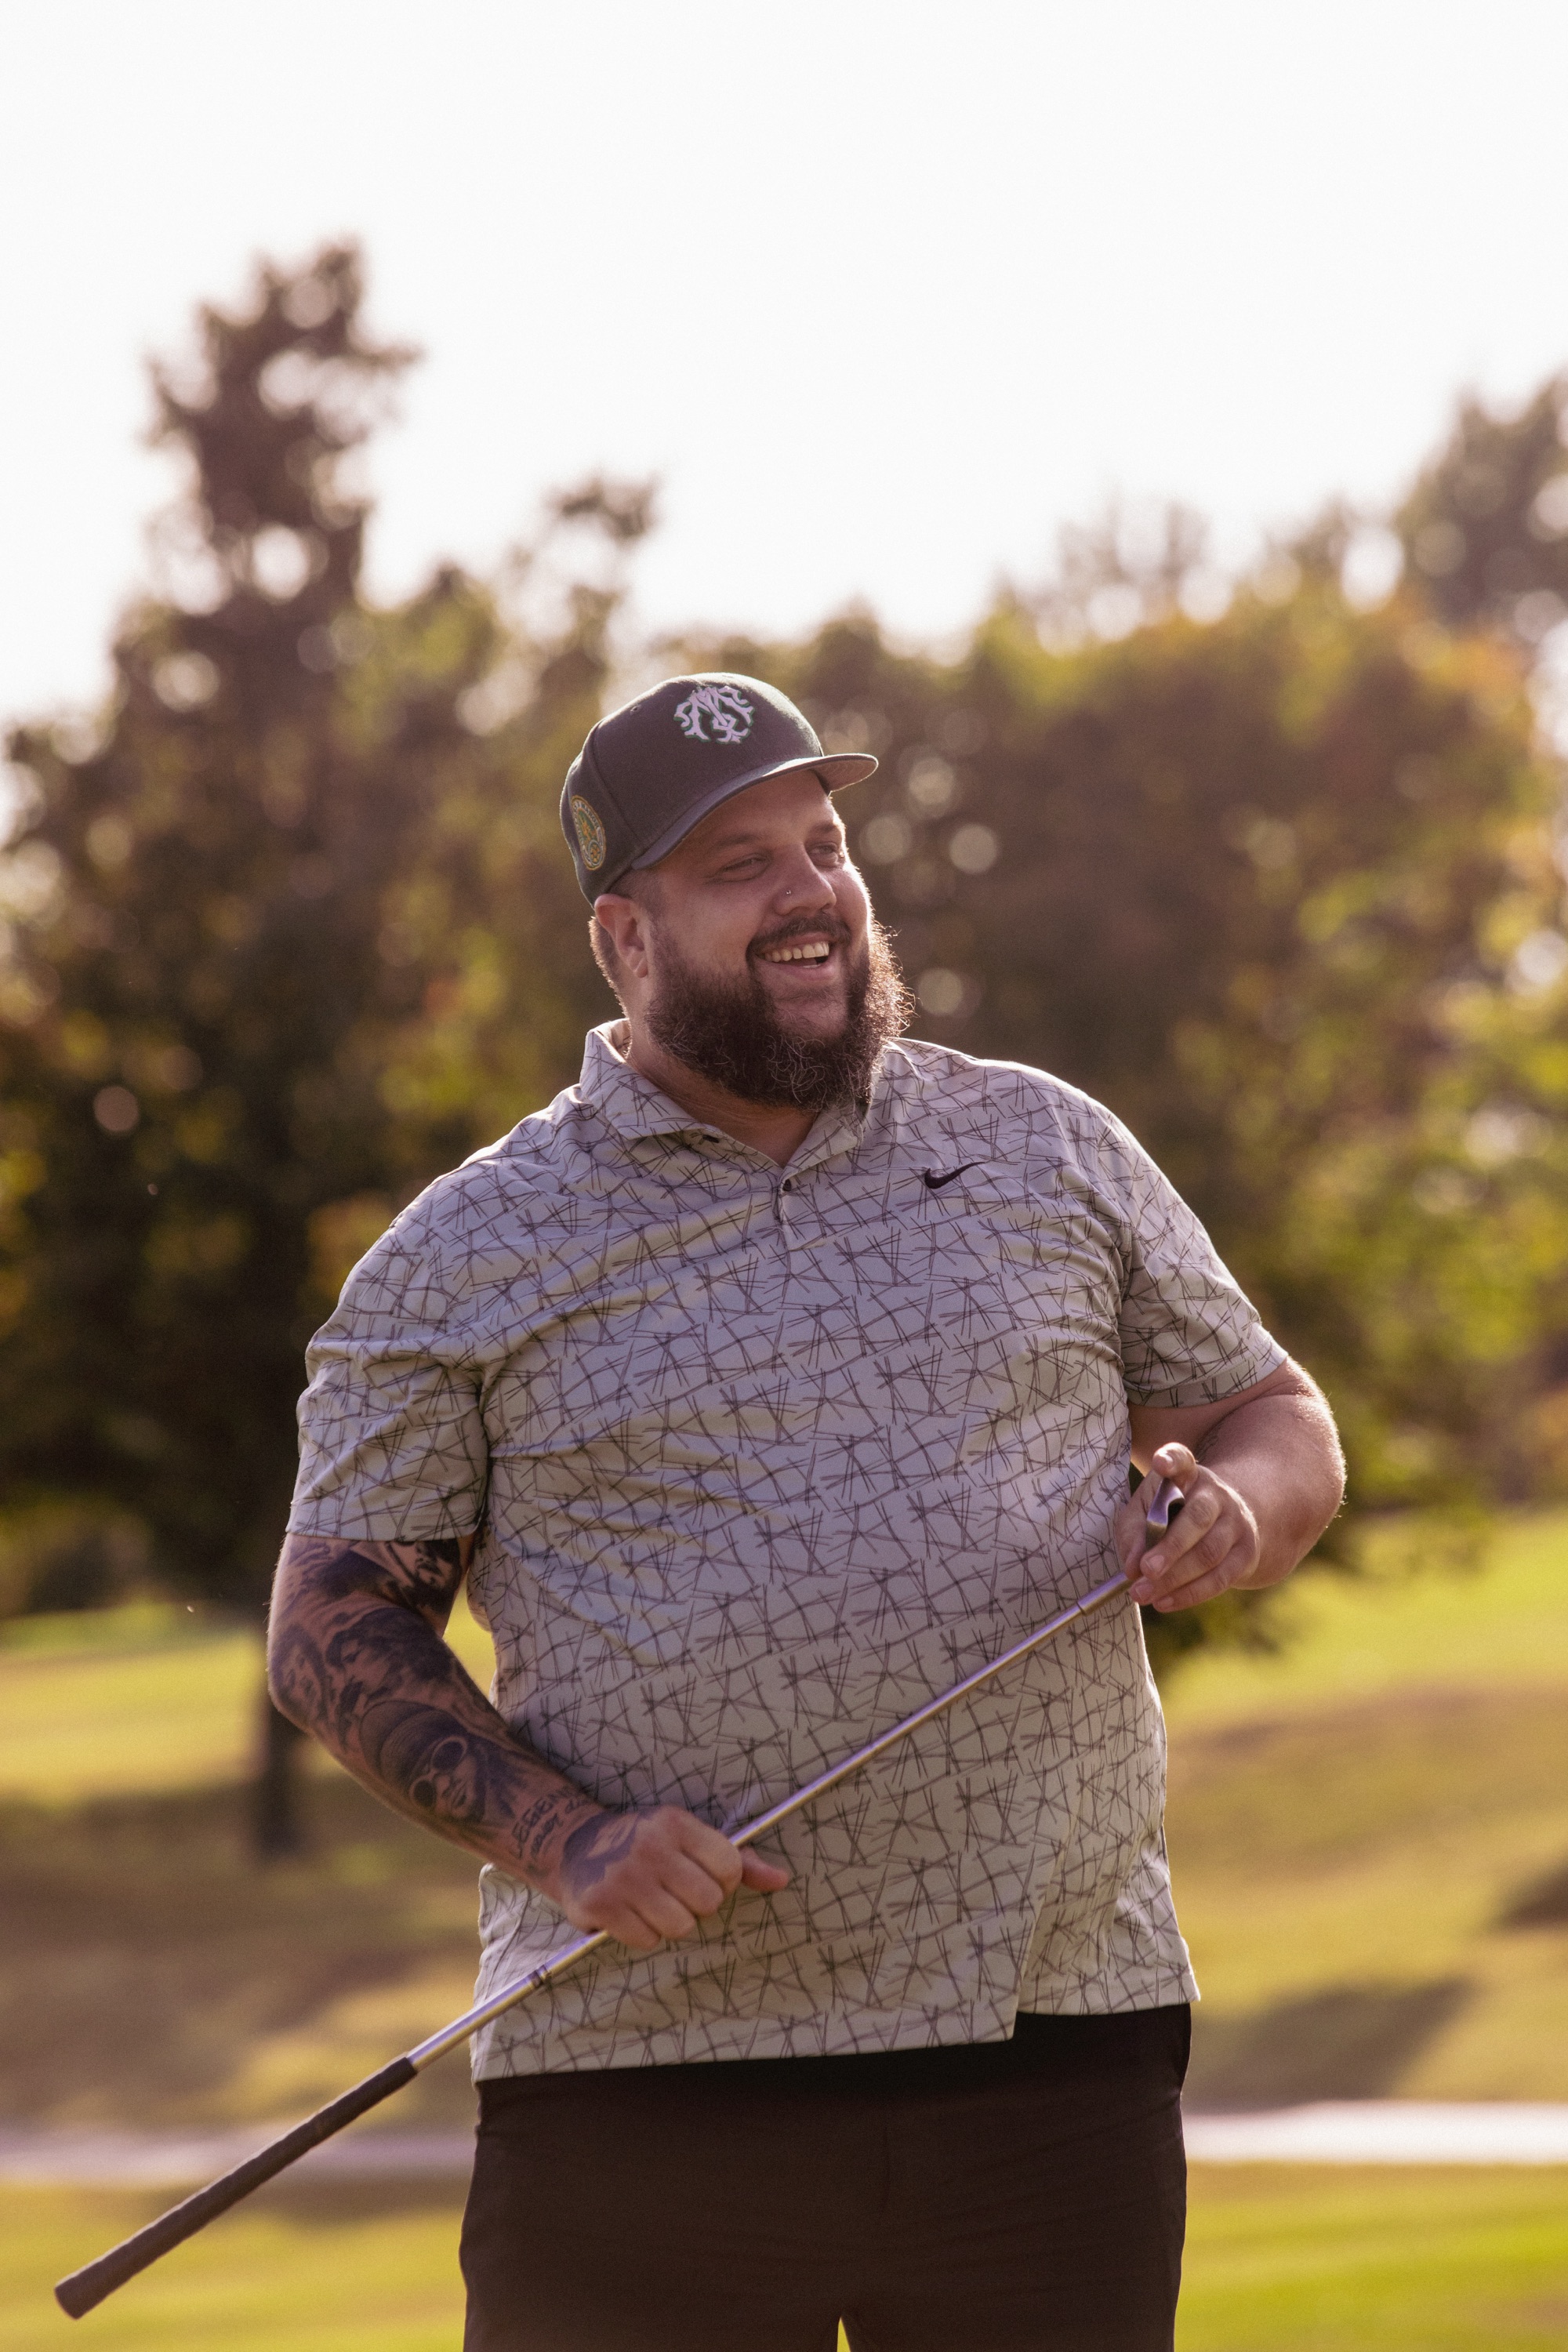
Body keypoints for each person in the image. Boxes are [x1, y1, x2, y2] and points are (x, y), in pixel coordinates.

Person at [268, 672, 1345, 2352]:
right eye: (735, 866)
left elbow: (1270, 1415)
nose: (807, 891)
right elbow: (331, 1628)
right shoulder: (467, 1254)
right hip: (645, 2090)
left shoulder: (1042, 1148)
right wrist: (569, 1843)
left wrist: (1240, 1517)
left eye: (820, 843)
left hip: (1050, 2058)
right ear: (625, 940)